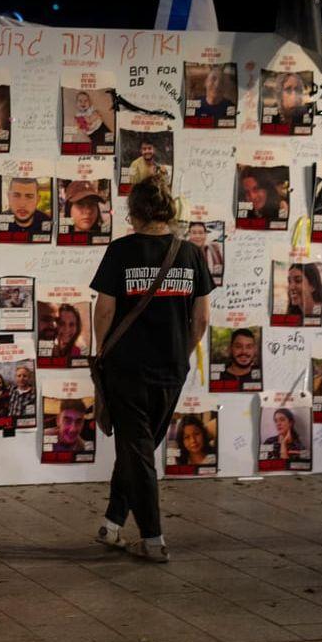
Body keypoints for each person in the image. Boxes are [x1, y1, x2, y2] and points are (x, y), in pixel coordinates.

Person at [89, 174, 213, 564]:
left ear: (134, 211)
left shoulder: (121, 251)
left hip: (126, 368)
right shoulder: (191, 255)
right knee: (138, 448)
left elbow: (105, 309)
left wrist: (100, 351)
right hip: (171, 370)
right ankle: (112, 524)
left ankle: (154, 539)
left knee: (137, 450)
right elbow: (202, 320)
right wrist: (181, 351)